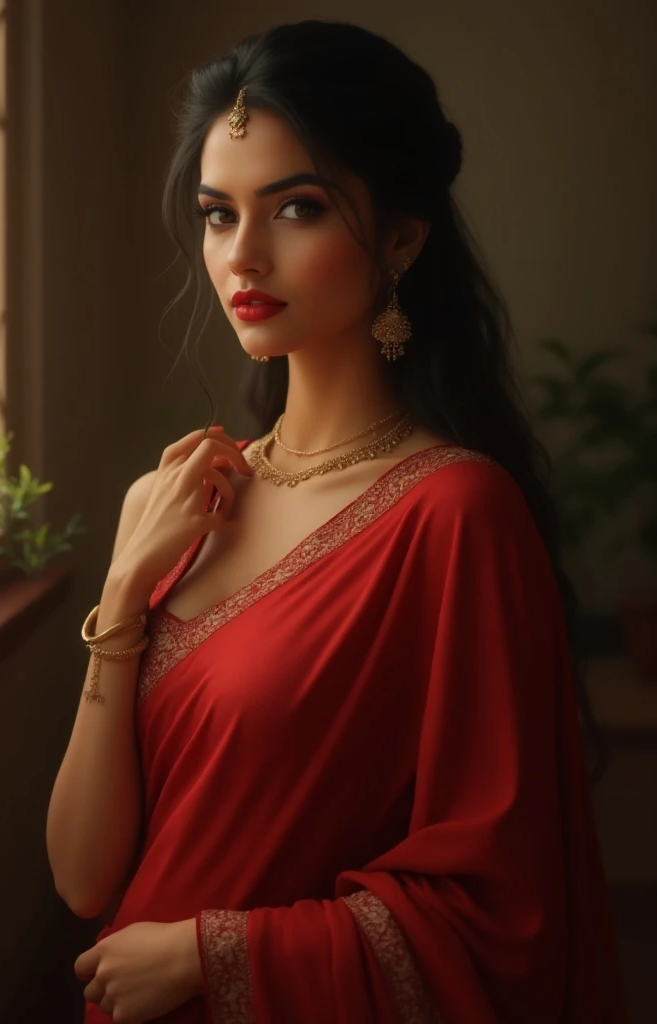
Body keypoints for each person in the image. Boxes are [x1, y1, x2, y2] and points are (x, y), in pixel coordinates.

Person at [46, 19, 628, 1024]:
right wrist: (117, 601)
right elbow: (84, 881)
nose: (244, 254)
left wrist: (209, 953)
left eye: (297, 209)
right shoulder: (171, 500)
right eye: (217, 214)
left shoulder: (453, 516)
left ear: (400, 237)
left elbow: (499, 908)